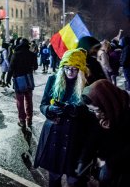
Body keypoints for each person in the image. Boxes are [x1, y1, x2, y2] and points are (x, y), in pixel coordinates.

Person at [34, 48, 90, 187]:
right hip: (55, 136)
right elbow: (43, 104)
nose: (70, 72)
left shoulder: (86, 84)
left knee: (74, 180)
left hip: (75, 138)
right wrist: (49, 109)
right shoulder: (53, 79)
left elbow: (90, 114)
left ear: (80, 70)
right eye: (66, 68)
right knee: (54, 176)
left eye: (74, 69)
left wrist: (72, 109)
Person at [81, 80, 130, 187]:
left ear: (106, 103)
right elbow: (92, 139)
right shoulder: (101, 116)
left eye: (96, 110)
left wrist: (108, 163)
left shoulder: (126, 116)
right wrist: (83, 160)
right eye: (91, 110)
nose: (95, 114)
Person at [6, 38, 37, 127]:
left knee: (20, 101)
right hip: (29, 79)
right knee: (29, 100)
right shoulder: (32, 54)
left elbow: (11, 68)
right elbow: (35, 67)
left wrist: (8, 79)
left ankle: (22, 120)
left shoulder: (16, 54)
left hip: (18, 80)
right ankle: (29, 119)